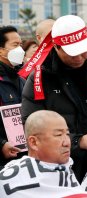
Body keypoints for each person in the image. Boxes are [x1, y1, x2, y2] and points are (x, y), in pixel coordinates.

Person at [20, 15, 87, 182]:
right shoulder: (40, 78)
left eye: (83, 51)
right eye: (72, 53)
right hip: (65, 166)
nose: (79, 58)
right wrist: (78, 141)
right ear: (56, 47)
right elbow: (31, 126)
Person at [0, 110, 87, 198]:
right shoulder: (7, 182)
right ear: (34, 142)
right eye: (58, 135)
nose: (67, 143)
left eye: (67, 134)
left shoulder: (67, 172)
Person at [0, 26, 25, 169]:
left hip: (23, 157)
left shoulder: (22, 80)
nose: (20, 50)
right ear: (1, 50)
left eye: (21, 45)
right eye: (15, 45)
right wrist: (1, 144)